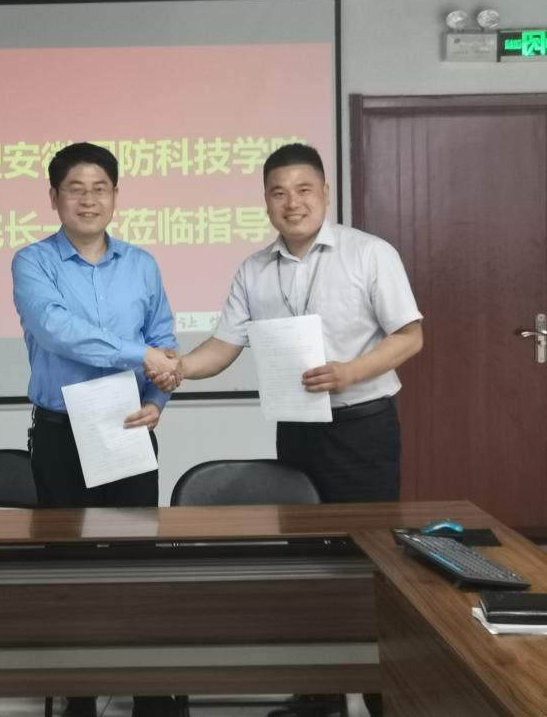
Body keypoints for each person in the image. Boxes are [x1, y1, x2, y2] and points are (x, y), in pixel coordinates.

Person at [152, 142, 421, 717]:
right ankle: (319, 688)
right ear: (266, 201)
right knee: (308, 560)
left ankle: (382, 691)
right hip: (297, 431)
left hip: (363, 429)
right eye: (279, 193)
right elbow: (224, 345)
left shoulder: (369, 254)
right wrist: (180, 368)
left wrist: (351, 372)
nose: (292, 203)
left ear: (326, 192)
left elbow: (410, 336)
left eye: (303, 190)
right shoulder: (255, 269)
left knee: (372, 559)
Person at [11, 142, 183, 717]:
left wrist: (158, 398)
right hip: (61, 433)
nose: (88, 200)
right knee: (68, 567)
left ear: (115, 195)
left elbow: (165, 341)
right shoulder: (32, 262)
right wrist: (142, 356)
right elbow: (58, 330)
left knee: (138, 564)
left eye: (99, 188)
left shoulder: (142, 265)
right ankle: (78, 695)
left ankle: (150, 694)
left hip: (128, 425)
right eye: (75, 189)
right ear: (54, 197)